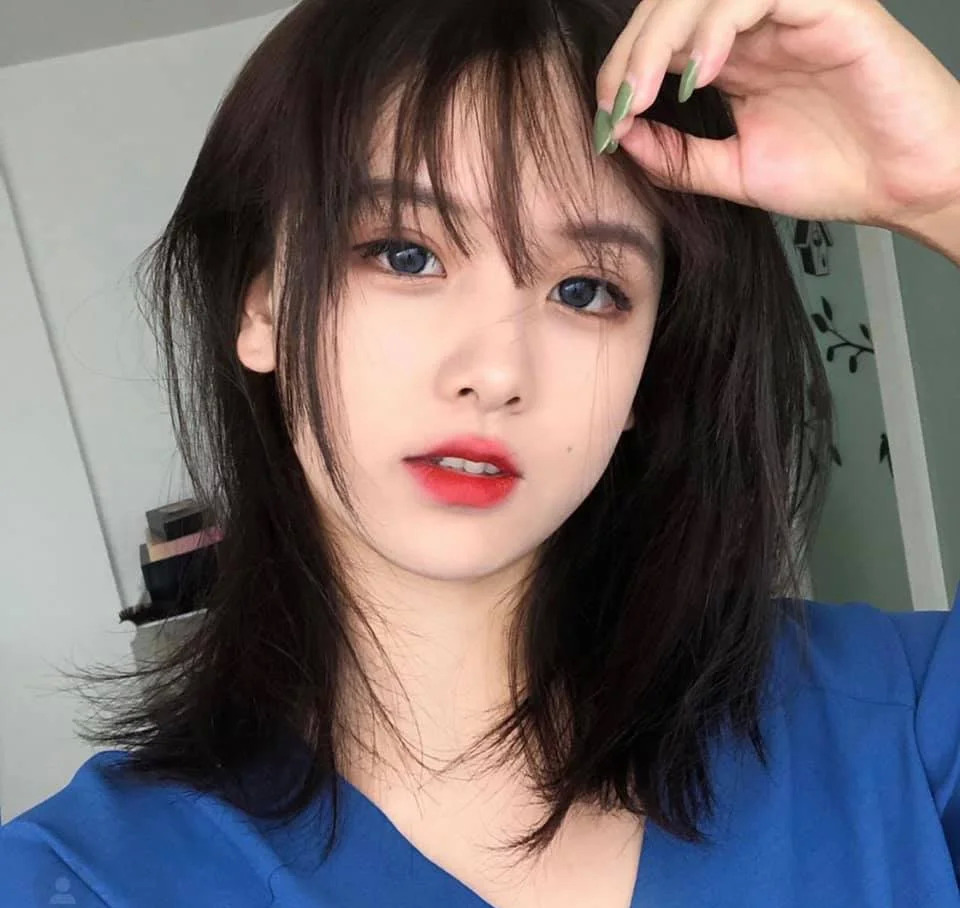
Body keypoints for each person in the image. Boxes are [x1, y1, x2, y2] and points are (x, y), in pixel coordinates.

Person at [2, 0, 959, 904]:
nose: (496, 371)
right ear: (262, 306)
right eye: (405, 253)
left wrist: (946, 188)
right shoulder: (85, 879)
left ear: (648, 373)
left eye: (586, 291)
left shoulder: (895, 728)